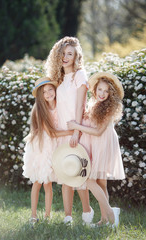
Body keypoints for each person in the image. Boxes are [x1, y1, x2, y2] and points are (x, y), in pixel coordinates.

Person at [45, 36, 93, 225]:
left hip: (77, 132)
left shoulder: (79, 75)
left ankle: (87, 213)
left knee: (80, 173)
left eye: (70, 54)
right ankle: (67, 217)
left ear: (76, 57)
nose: (66, 57)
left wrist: (76, 132)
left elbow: (81, 105)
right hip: (63, 132)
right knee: (66, 174)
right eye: (63, 53)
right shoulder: (59, 79)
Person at [67, 72, 125, 226]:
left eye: (106, 91)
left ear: (111, 93)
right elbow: (91, 122)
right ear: (95, 89)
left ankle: (112, 214)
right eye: (100, 89)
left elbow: (99, 132)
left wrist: (76, 126)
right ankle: (104, 219)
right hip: (96, 144)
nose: (102, 94)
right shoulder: (94, 104)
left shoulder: (109, 107)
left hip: (103, 143)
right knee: (101, 183)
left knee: (88, 178)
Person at [22, 77, 73, 225]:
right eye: (44, 92)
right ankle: (33, 215)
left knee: (48, 183)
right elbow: (50, 133)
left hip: (55, 146)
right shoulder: (39, 110)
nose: (48, 93)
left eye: (50, 89)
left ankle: (47, 215)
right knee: (38, 181)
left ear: (55, 90)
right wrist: (70, 133)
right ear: (40, 95)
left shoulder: (60, 106)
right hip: (41, 146)